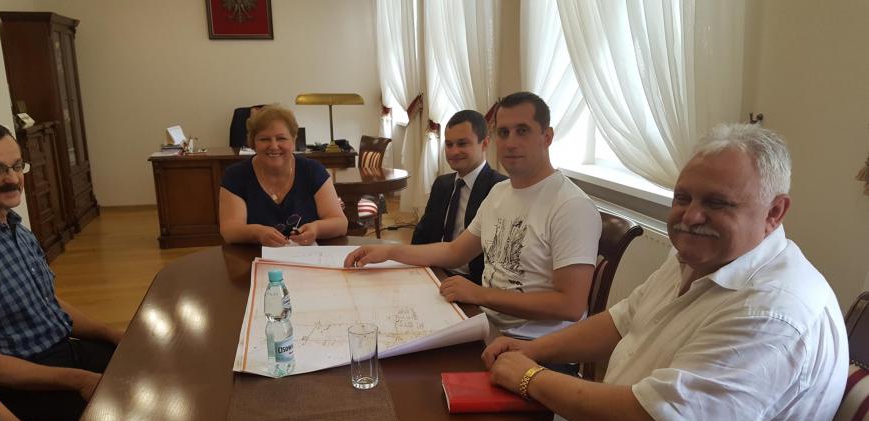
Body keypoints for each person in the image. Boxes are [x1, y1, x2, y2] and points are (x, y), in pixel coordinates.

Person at [481, 123, 848, 421]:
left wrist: (530, 377)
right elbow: (624, 319)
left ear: (774, 211)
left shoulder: (776, 311)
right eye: (683, 198)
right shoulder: (699, 254)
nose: (691, 216)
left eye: (716, 203)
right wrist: (533, 350)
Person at [346, 92, 601, 339]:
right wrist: (389, 252)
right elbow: (455, 252)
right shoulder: (500, 192)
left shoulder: (571, 206)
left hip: (533, 344)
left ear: (547, 137)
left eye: (522, 131)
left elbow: (570, 305)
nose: (510, 143)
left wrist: (479, 294)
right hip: (484, 322)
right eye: (503, 132)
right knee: (380, 322)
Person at [0, 121, 122, 421]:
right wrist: (80, 379)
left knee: (148, 367)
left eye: (16, 166)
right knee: (123, 416)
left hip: (63, 350)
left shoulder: (14, 227)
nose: (13, 179)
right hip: (23, 386)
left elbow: (48, 303)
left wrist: (111, 334)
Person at [219, 104, 348, 247]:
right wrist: (257, 232)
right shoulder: (235, 176)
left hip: (307, 256)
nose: (274, 146)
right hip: (253, 257)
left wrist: (317, 229)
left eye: (281, 138)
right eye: (264, 139)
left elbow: (340, 223)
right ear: (253, 143)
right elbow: (230, 230)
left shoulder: (313, 171)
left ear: (293, 140)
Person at [411, 109, 507, 284]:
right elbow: (422, 234)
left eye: (462, 144)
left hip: (475, 283)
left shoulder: (500, 189)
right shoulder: (442, 184)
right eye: (449, 145)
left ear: (485, 144)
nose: (454, 151)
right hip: (434, 272)